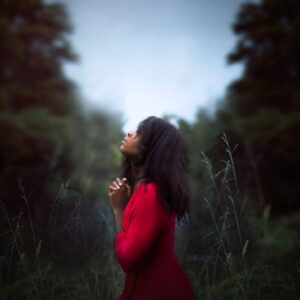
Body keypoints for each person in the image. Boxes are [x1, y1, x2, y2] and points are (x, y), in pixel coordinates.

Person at [107, 116, 196, 300]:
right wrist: (119, 209)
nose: (130, 133)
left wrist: (117, 210)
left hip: (158, 291)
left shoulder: (150, 194)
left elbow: (128, 259)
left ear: (153, 148)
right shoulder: (146, 191)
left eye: (139, 133)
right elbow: (131, 248)